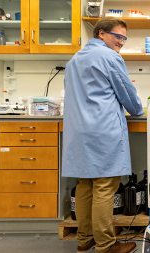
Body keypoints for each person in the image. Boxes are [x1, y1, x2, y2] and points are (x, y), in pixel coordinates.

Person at [62, 17, 143, 253]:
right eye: (118, 36)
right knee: (105, 187)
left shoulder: (74, 60)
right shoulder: (109, 57)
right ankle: (106, 245)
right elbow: (128, 96)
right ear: (101, 34)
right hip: (102, 130)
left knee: (86, 185)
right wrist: (137, 109)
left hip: (79, 132)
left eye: (124, 38)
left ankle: (84, 239)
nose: (121, 42)